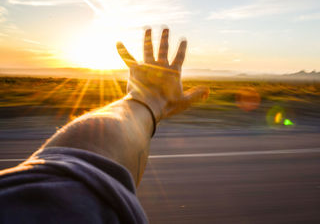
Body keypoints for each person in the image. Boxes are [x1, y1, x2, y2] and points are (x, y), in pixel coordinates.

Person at [0, 28, 209, 223]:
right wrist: (151, 101)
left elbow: (72, 163)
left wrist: (144, 99)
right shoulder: (64, 203)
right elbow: (78, 167)